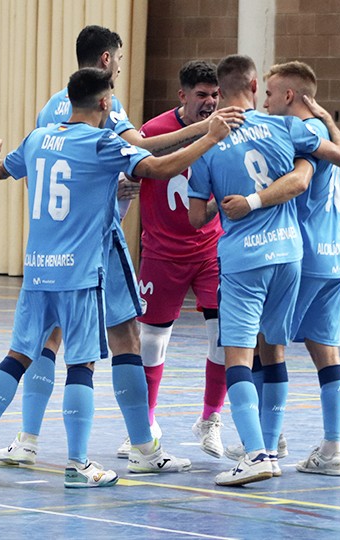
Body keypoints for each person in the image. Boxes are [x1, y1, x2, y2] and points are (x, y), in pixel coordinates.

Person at [0, 67, 230, 486]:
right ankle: (78, 463)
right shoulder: (103, 144)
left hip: (36, 273)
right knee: (82, 365)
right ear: (106, 102)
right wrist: (209, 138)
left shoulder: (35, 140)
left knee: (18, 354)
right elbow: (156, 167)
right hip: (80, 272)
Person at [187, 54, 340, 486]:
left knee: (244, 353)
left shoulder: (211, 142)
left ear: (219, 93)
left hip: (253, 256)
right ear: (254, 83)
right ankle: (305, 444)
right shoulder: (290, 129)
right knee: (287, 350)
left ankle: (262, 447)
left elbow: (196, 217)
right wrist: (326, 120)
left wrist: (245, 200)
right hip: (306, 253)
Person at [257, 61, 340, 476]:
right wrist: (335, 237)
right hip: (336, 257)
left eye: (269, 93)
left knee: (269, 344)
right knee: (326, 352)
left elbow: (294, 184)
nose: (264, 101)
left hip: (300, 258)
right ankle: (332, 449)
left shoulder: (300, 139)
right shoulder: (330, 136)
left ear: (289, 95)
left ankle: (266, 446)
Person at [125, 60, 227, 460]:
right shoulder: (152, 132)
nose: (210, 102)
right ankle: (146, 424)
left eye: (215, 95)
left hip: (209, 250)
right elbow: (131, 172)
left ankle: (210, 418)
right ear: (182, 95)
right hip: (162, 253)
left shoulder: (224, 134)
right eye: (202, 95)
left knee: (223, 335)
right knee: (151, 343)